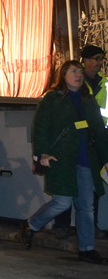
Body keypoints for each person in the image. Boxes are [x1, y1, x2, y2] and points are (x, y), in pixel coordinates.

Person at [19, 60, 108, 264]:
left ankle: (87, 249)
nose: (78, 74)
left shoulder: (88, 99)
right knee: (62, 201)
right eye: (73, 71)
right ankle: (31, 224)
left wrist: (106, 159)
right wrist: (41, 154)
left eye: (79, 71)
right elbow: (40, 127)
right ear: (63, 75)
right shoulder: (52, 98)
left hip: (86, 160)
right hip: (61, 159)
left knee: (86, 207)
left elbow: (100, 133)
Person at [53, 44, 108, 239]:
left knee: (94, 186)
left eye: (101, 58)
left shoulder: (105, 83)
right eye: (95, 58)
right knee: (68, 185)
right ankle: (61, 225)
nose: (99, 63)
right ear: (84, 60)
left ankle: (90, 227)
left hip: (97, 139)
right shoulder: (75, 82)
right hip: (75, 141)